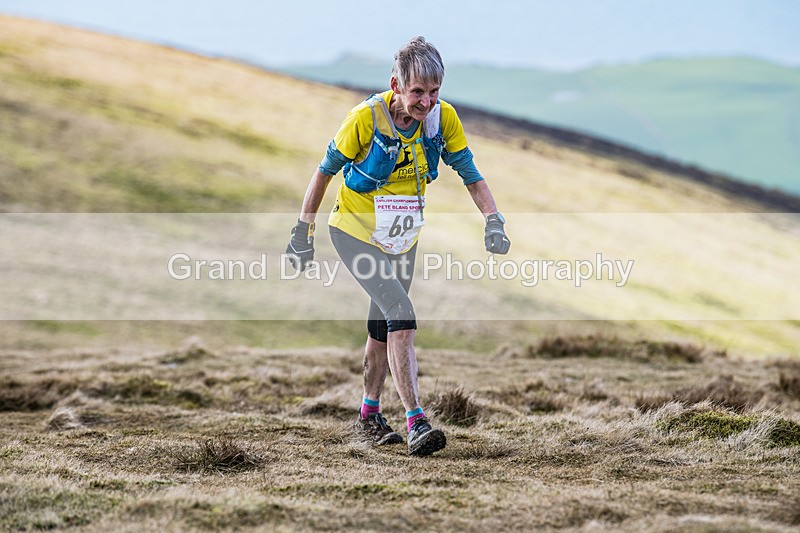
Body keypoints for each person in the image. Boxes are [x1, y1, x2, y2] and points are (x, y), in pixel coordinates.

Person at [286, 36, 510, 457]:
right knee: (402, 314)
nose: (426, 102)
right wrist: (303, 232)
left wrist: (493, 220)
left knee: (382, 329)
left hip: (402, 238)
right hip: (354, 232)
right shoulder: (365, 118)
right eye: (417, 92)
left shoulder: (442, 120)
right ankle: (416, 421)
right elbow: (324, 173)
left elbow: (471, 174)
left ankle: (369, 415)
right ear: (396, 85)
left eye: (434, 91)